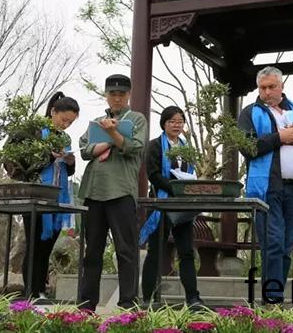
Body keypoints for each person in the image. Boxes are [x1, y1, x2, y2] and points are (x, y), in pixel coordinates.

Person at [238, 66, 293, 304]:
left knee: (286, 245)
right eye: (262, 87)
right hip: (266, 188)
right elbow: (247, 148)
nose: (267, 92)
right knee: (273, 242)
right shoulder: (250, 112)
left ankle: (275, 296)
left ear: (282, 86)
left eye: (271, 87)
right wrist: (280, 138)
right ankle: (272, 299)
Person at [78, 74, 147, 311]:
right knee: (92, 251)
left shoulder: (136, 119)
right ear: (106, 96)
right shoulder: (97, 122)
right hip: (94, 191)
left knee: (126, 250)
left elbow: (135, 147)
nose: (117, 98)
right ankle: (86, 304)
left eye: (121, 94)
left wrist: (114, 135)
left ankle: (127, 303)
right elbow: (85, 149)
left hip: (121, 191)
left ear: (128, 95)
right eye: (112, 94)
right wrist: (110, 138)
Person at [10, 92, 79, 298]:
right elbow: (23, 163)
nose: (66, 125)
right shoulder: (34, 131)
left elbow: (69, 171)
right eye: (64, 119)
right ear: (53, 112)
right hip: (36, 193)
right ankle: (31, 290)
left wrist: (70, 162)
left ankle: (40, 289)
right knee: (35, 245)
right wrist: (48, 156)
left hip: (58, 195)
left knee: (47, 246)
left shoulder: (64, 138)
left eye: (70, 122)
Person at [139, 106, 205, 308]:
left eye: (180, 121)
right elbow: (153, 174)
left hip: (183, 207)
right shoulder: (155, 145)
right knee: (155, 252)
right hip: (161, 205)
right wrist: (176, 188)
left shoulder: (187, 148)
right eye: (172, 121)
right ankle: (147, 298)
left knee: (186, 252)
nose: (176, 125)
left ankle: (193, 298)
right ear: (164, 124)